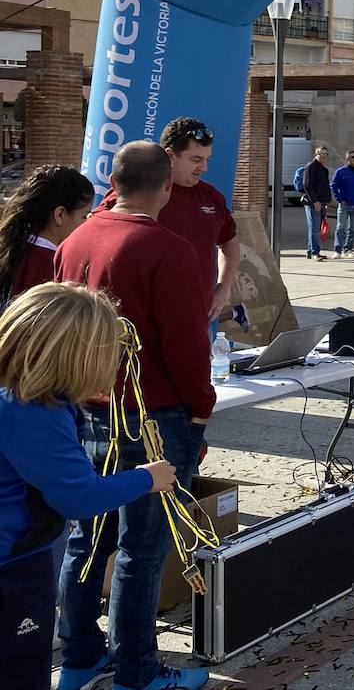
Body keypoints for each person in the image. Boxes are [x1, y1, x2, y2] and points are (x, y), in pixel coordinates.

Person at [55, 141, 213, 690]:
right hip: (153, 417)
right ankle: (137, 672)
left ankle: (77, 657)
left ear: (113, 182)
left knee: (87, 536)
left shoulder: (75, 240)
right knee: (140, 548)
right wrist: (200, 412)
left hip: (87, 409)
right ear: (166, 186)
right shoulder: (167, 249)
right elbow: (186, 345)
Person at [0, 284, 178, 690]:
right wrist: (147, 478)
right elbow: (80, 498)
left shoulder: (18, 396)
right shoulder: (33, 413)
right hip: (12, 568)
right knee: (19, 669)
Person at [101, 118, 240, 323]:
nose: (204, 168)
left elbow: (230, 242)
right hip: (140, 324)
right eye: (195, 160)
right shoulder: (135, 194)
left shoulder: (211, 197)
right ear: (170, 156)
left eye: (207, 160)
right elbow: (96, 235)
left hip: (194, 319)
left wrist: (223, 287)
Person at [0, 165, 94, 308]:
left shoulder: (13, 246)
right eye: (84, 216)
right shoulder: (49, 264)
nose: (88, 223)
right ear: (60, 214)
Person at [330, 149, 354, 258]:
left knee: (353, 228)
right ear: (347, 159)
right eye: (353, 157)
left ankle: (348, 250)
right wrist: (339, 199)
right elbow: (333, 185)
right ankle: (337, 250)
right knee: (340, 227)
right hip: (344, 204)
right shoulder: (340, 172)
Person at [301, 145, 331, 261]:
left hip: (322, 202)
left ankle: (311, 251)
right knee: (314, 228)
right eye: (320, 154)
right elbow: (307, 185)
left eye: (325, 154)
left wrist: (327, 202)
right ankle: (314, 252)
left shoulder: (324, 169)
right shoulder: (311, 167)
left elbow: (325, 187)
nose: (323, 156)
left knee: (316, 227)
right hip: (313, 203)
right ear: (316, 155)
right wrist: (315, 201)